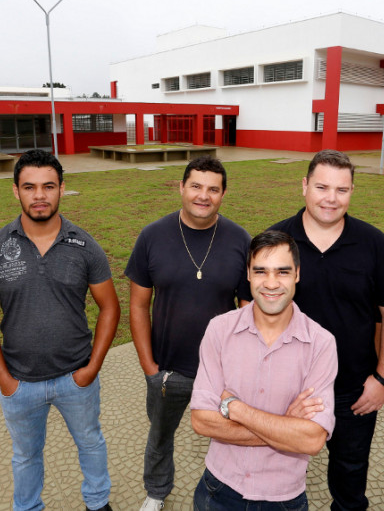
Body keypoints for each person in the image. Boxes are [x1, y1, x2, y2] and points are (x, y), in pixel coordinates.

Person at [0, 149, 119, 511]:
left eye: (48, 186)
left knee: (91, 443)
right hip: (20, 382)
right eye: (30, 187)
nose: (39, 195)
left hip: (76, 377)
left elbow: (110, 307)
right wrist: (6, 381)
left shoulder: (85, 246)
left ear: (62, 189)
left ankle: (98, 504)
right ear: (15, 192)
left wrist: (92, 368)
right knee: (25, 456)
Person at [270, 149, 384, 510]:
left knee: (350, 480)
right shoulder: (275, 242)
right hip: (289, 389)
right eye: (322, 187)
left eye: (342, 190)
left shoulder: (374, 244)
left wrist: (383, 380)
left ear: (352, 192)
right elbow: (250, 310)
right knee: (275, 472)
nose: (331, 198)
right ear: (304, 186)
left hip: (354, 392)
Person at [125, 155, 251, 511]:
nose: (203, 196)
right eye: (195, 186)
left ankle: (224, 494)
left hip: (222, 371)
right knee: (160, 436)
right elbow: (138, 305)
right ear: (181, 188)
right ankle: (156, 491)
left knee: (226, 438)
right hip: (168, 369)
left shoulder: (240, 239)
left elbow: (247, 309)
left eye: (213, 189)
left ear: (223, 194)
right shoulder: (152, 236)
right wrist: (149, 367)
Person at [189, 230, 338, 508]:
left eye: (282, 272)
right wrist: (284, 426)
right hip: (219, 488)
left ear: (297, 274)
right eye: (261, 271)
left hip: (284, 498)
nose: (271, 283)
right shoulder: (219, 330)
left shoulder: (321, 344)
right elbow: (201, 421)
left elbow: (312, 439)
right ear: (248, 274)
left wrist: (235, 408)